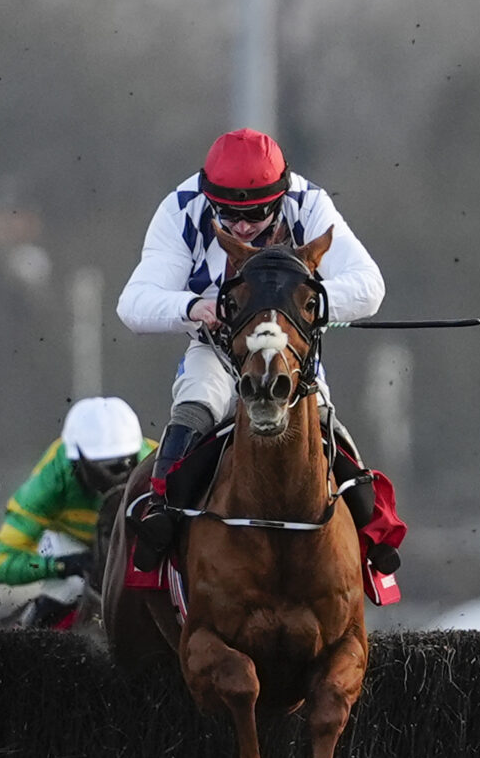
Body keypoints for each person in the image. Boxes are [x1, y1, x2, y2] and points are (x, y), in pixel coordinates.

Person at [116, 127, 393, 572]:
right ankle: (161, 515)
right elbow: (132, 304)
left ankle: (373, 532)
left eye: (257, 214)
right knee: (196, 401)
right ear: (209, 198)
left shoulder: (311, 204)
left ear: (281, 196)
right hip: (219, 351)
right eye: (228, 214)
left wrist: (301, 303)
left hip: (289, 354)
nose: (242, 226)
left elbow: (369, 286)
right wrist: (194, 306)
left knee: (324, 421)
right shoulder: (181, 208)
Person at [0, 396, 152, 625]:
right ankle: (36, 636)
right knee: (71, 585)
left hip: (132, 544)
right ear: (74, 462)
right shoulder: (50, 481)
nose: (114, 480)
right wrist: (64, 565)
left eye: (124, 465)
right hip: (71, 547)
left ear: (138, 454)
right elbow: (1, 564)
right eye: (102, 469)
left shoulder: (155, 466)